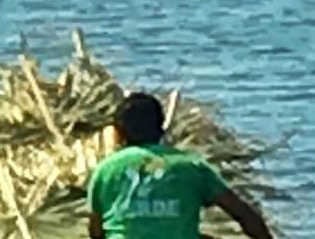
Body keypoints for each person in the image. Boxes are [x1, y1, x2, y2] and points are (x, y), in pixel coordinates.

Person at [85, 93, 274, 239]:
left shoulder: (105, 170)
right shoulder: (192, 166)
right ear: (161, 129)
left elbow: (96, 231)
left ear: (117, 133)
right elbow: (244, 214)